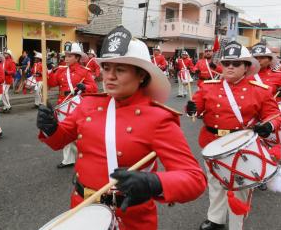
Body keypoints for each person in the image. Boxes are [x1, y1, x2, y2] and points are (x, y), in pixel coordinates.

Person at [37, 26, 207, 229]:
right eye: (107, 68)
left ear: (142, 75)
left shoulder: (158, 117)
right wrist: (50, 127)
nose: (109, 76)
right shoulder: (88, 104)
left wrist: (153, 182)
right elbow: (59, 141)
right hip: (82, 208)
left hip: (130, 217)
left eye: (120, 69)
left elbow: (194, 178)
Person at [186, 41, 281, 230]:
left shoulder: (259, 90)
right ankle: (216, 219)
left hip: (241, 146)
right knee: (215, 183)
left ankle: (236, 226)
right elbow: (196, 111)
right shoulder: (208, 86)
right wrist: (192, 110)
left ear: (246, 67)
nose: (230, 67)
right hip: (212, 142)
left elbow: (275, 115)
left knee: (240, 188)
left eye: (236, 63)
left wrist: (269, 126)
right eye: (226, 63)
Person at [47, 42, 98, 169]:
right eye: (66, 56)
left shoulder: (85, 72)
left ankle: (89, 155)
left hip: (77, 105)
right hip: (63, 105)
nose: (66, 58)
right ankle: (68, 159)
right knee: (65, 132)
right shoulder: (60, 70)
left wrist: (84, 86)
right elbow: (51, 83)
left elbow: (94, 88)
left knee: (80, 133)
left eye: (70, 56)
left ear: (77, 57)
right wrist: (49, 70)